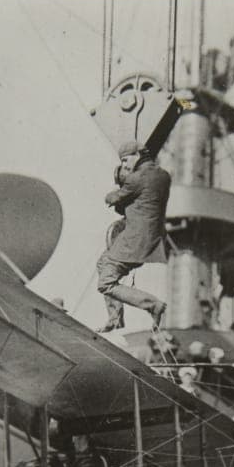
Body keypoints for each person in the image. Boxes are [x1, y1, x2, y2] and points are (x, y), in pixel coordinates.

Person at [94, 140, 171, 332]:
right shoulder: (163, 176)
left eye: (126, 160)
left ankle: (153, 305)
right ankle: (115, 318)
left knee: (105, 283)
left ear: (137, 155)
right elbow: (142, 202)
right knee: (102, 263)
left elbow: (113, 199)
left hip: (134, 239)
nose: (124, 165)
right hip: (152, 238)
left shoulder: (136, 178)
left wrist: (114, 191)